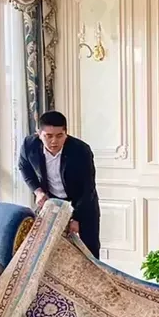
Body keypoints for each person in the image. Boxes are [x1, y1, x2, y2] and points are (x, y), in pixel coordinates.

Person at [19, 109, 101, 258]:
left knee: (89, 252)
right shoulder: (29, 145)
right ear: (39, 134)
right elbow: (24, 167)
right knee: (49, 250)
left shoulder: (81, 150)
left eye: (59, 135)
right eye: (48, 136)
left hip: (83, 203)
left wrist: (76, 218)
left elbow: (88, 188)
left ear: (66, 133)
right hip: (53, 202)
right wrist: (38, 191)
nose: (54, 141)